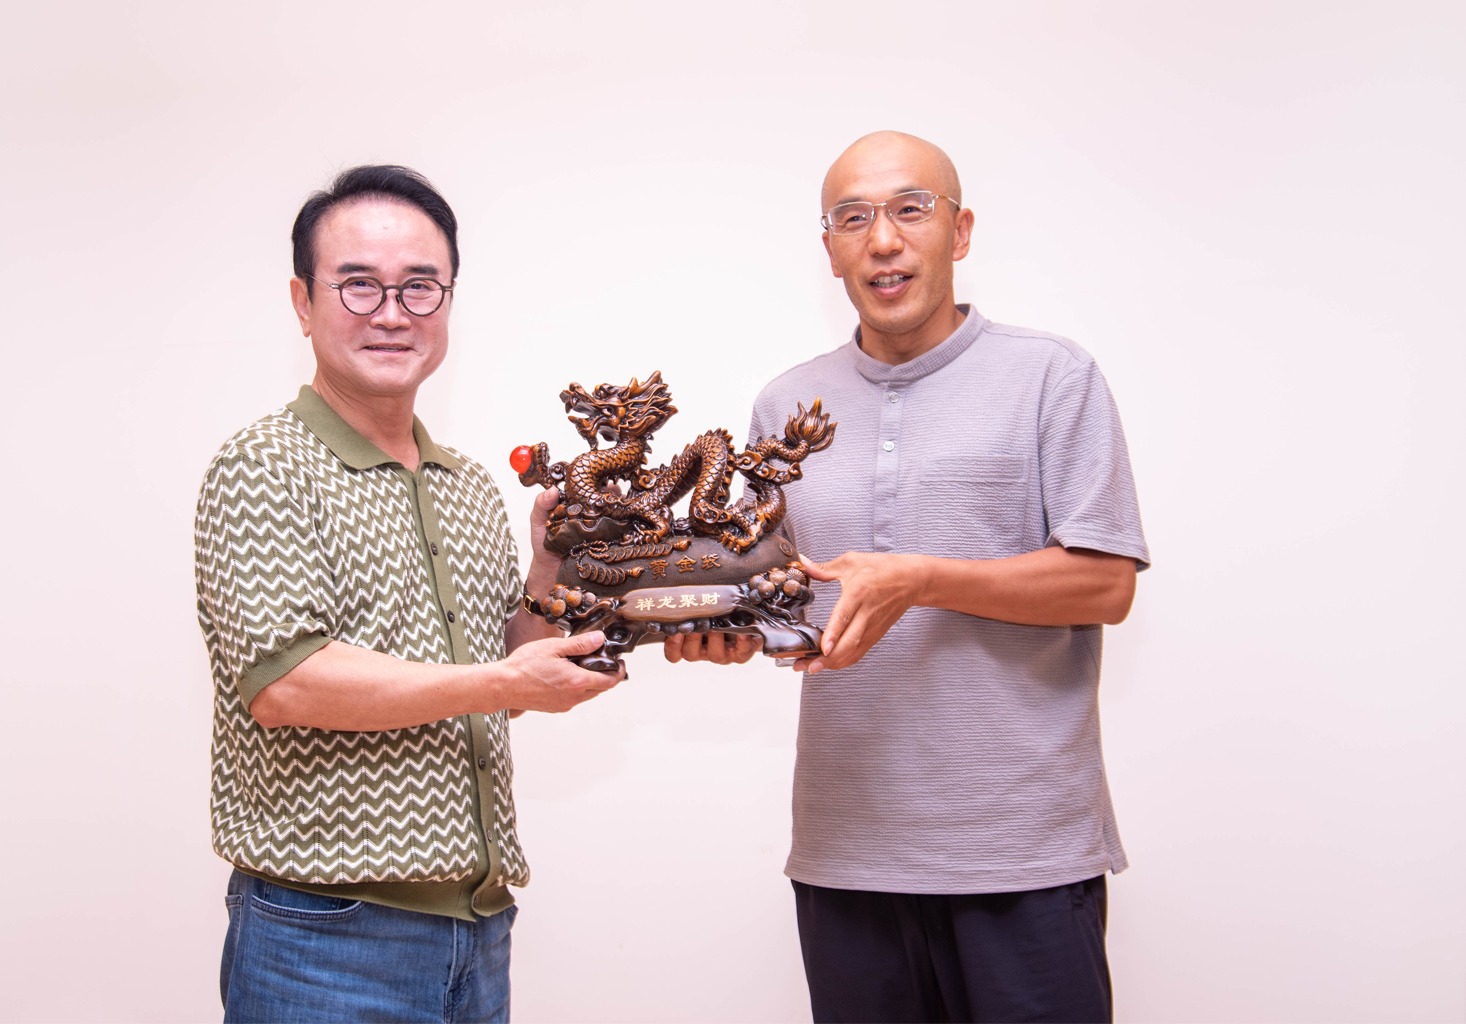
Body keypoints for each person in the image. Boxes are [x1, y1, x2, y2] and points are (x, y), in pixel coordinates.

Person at [667, 132, 1150, 1023]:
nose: (883, 239)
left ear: (959, 231)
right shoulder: (784, 407)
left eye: (909, 209)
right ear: (830, 249)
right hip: (846, 855)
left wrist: (923, 578)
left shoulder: (1053, 377)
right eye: (853, 218)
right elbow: (778, 599)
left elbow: (1105, 585)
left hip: (1023, 856)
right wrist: (719, 631)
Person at [193, 164, 617, 1023]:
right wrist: (503, 682)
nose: (392, 313)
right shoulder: (263, 466)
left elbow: (504, 679)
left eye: (420, 287)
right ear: (303, 303)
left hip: (478, 933)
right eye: (358, 284)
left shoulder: (467, 485)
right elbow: (287, 685)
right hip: (322, 943)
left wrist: (547, 567)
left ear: (449, 302)